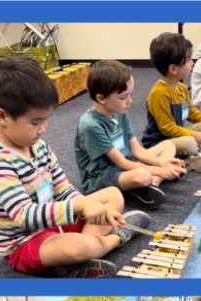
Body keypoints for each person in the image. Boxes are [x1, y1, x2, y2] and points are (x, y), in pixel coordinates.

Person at [0, 55, 148, 277]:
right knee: (75, 247)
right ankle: (115, 239)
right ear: (2, 116)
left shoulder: (39, 146)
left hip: (56, 223)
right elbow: (25, 216)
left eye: (47, 120)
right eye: (35, 122)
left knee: (113, 197)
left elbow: (64, 189)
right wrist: (81, 208)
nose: (43, 129)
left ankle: (84, 255)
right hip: (25, 242)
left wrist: (87, 205)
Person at [75, 60, 186, 210]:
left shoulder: (119, 111)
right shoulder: (90, 125)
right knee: (143, 175)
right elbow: (122, 163)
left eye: (130, 94)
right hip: (101, 176)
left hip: (125, 164)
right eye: (123, 97)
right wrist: (158, 170)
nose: (130, 101)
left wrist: (161, 164)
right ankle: (146, 183)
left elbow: (137, 150)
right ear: (101, 98)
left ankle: (150, 185)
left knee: (168, 145)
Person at [141, 33, 201, 164]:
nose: (192, 63)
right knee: (190, 143)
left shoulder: (182, 87)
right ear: (173, 68)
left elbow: (192, 113)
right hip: (160, 142)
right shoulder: (159, 93)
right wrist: (195, 135)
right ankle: (196, 155)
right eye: (188, 59)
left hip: (175, 136)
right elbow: (167, 129)